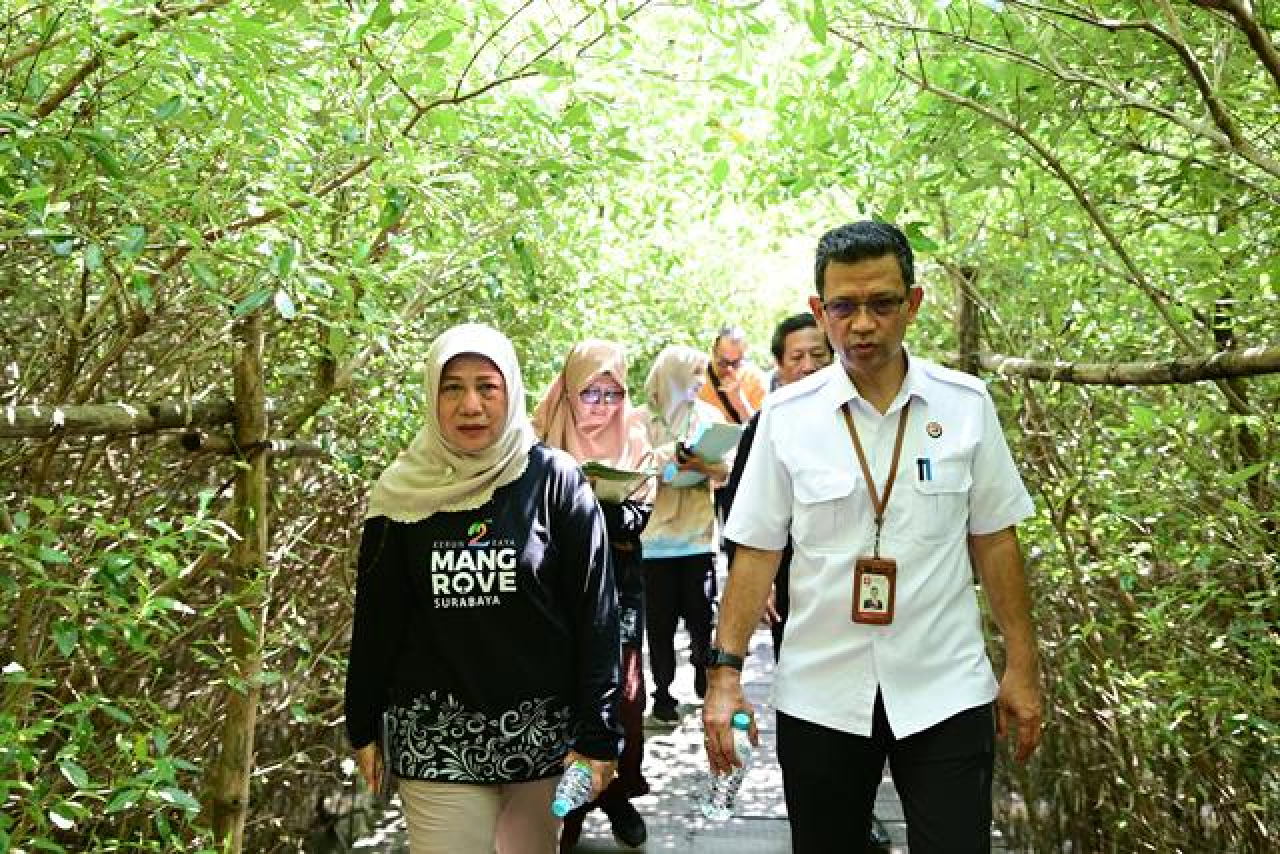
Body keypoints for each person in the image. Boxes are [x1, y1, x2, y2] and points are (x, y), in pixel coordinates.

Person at [703, 222, 1043, 854]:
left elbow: (996, 539)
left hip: (947, 685)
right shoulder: (785, 418)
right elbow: (755, 552)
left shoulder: (964, 405)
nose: (862, 324)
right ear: (819, 311)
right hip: (822, 692)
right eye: (844, 307)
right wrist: (725, 676)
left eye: (882, 304)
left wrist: (1022, 663)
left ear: (912, 304)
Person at [344, 323, 621, 854]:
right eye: (453, 388)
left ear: (510, 391)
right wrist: (361, 725)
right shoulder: (402, 492)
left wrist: (598, 735)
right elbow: (377, 620)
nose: (470, 405)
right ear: (432, 395)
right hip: (435, 740)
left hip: (541, 739)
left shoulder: (554, 480)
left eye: (486, 387)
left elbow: (596, 615)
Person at [532, 340, 654, 851]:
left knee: (624, 698)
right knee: (562, 697)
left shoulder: (635, 433)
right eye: (590, 392)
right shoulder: (538, 435)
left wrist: (593, 512)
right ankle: (569, 816)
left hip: (618, 588)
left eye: (612, 393)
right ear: (569, 389)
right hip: (554, 595)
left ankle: (617, 792)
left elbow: (638, 516)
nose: (602, 405)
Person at [639, 345, 730, 724]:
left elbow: (726, 471)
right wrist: (670, 460)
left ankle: (701, 672)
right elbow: (636, 466)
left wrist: (704, 465)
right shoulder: (641, 421)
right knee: (658, 627)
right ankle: (662, 694)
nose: (697, 382)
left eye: (700, 374)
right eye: (690, 374)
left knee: (702, 618)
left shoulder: (708, 417)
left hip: (697, 538)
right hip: (654, 542)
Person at [697, 324, 769, 426]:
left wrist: (740, 401)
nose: (729, 369)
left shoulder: (756, 379)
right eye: (723, 363)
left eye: (735, 363)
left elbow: (760, 430)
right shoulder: (697, 375)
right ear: (713, 352)